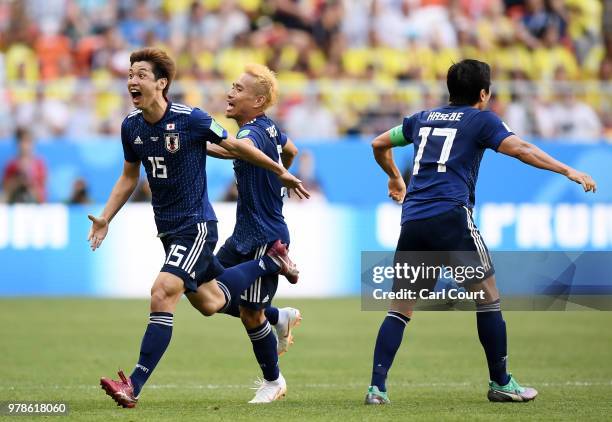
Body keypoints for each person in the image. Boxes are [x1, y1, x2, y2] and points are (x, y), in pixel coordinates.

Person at [365, 59, 596, 405]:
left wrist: (395, 177)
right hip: (451, 218)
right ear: (484, 93)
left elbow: (378, 143)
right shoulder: (481, 119)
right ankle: (501, 382)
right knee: (487, 296)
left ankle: (376, 389)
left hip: (413, 222)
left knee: (400, 307)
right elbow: (521, 148)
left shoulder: (422, 118)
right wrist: (567, 170)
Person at [89, 48, 310, 409]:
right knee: (211, 302)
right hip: (169, 230)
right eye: (130, 74)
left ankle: (134, 384)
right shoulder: (131, 126)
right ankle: (277, 308)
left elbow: (236, 145)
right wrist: (105, 217)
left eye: (140, 75)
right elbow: (130, 176)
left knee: (163, 292)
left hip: (196, 227)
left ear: (161, 83)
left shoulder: (191, 119)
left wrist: (280, 173)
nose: (132, 81)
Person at [207, 64, 302, 403]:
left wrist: (275, 174)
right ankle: (281, 316)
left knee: (249, 312)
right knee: (208, 294)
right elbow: (290, 151)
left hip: (266, 235)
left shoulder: (250, 135)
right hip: (244, 234)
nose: (230, 93)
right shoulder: (269, 128)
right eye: (231, 86)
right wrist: (280, 175)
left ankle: (273, 381)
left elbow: (237, 147)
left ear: (259, 100)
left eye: (238, 89)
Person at [2, 127, 47, 204]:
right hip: (14, 200)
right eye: (22, 141)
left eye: (28, 141)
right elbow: (5, 189)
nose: (25, 145)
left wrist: (30, 182)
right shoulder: (11, 164)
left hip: (34, 201)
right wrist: (17, 181)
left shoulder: (39, 164)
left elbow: (42, 192)